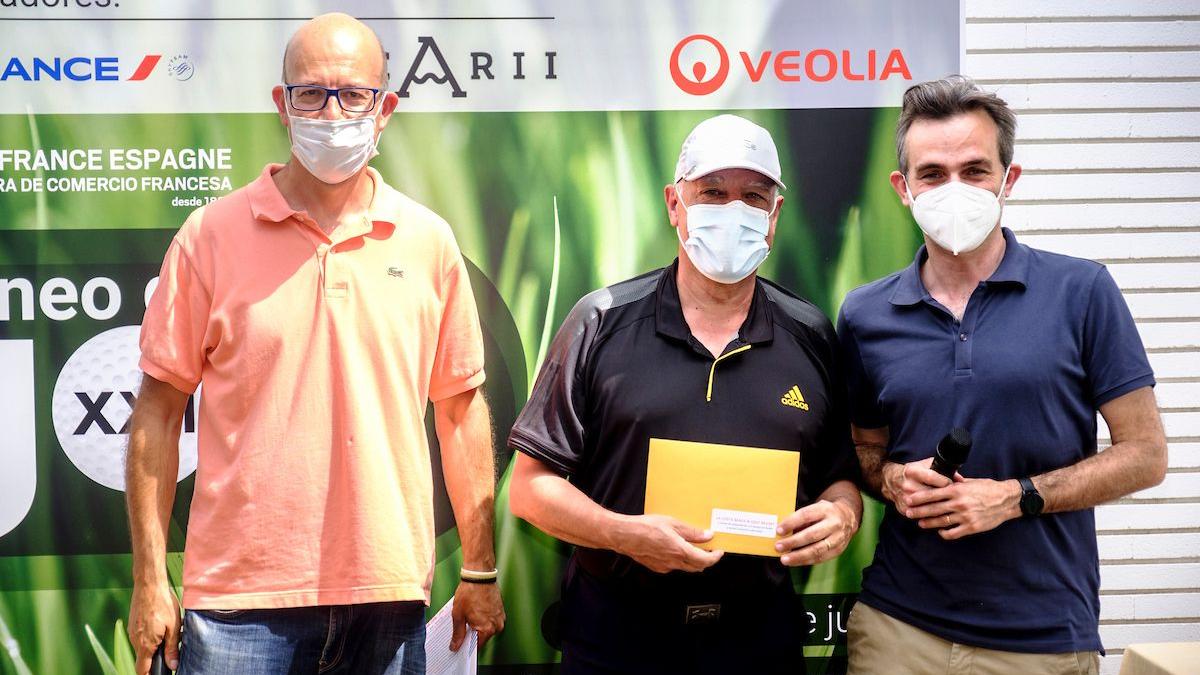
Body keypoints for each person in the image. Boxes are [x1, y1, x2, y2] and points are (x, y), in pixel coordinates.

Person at [125, 13, 504, 675]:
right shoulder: (209, 236)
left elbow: (461, 410)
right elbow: (156, 412)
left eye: (353, 94)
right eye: (312, 94)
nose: (333, 113)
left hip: (386, 598)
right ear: (282, 104)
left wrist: (479, 567)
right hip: (239, 606)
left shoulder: (428, 241)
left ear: (385, 109)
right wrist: (150, 579)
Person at [507, 114, 862, 674]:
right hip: (618, 639)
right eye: (713, 193)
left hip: (758, 639)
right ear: (675, 204)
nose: (734, 211)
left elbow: (840, 476)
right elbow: (529, 489)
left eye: (754, 197)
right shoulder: (600, 321)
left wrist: (842, 515)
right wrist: (624, 535)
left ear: (775, 216)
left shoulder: (810, 334)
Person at [839, 76, 1168, 675]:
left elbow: (1146, 455)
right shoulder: (865, 314)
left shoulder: (1082, 291)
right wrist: (891, 479)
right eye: (932, 174)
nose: (954, 188)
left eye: (974, 170)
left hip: (1041, 638)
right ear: (903, 189)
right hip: (897, 630)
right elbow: (864, 449)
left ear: (1007, 179)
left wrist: (1017, 498)